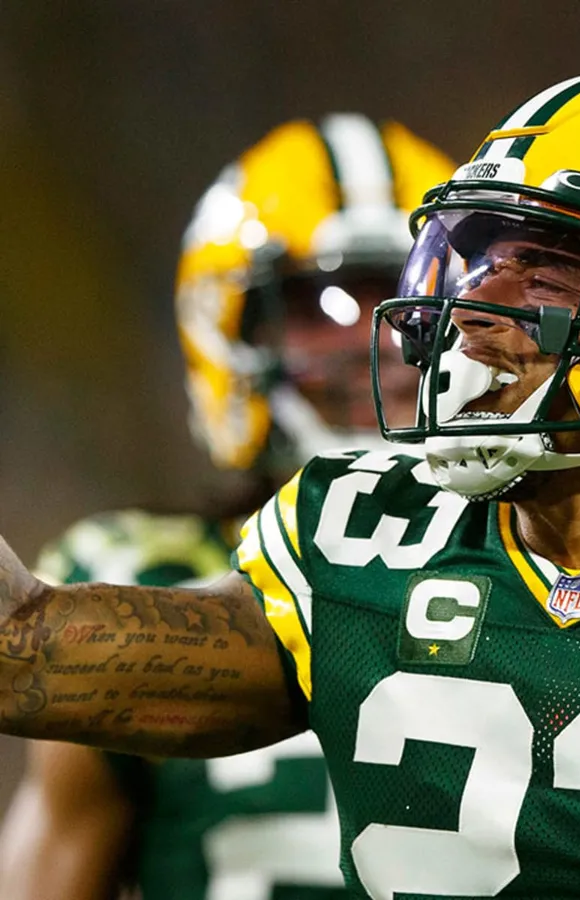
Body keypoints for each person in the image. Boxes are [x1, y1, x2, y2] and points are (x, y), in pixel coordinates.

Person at [0, 69, 580, 899]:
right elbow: (21, 652)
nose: (471, 307)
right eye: (479, 261)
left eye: (548, 268)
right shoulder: (366, 535)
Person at [0, 113, 455, 900]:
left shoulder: (552, 561)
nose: (377, 341)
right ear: (229, 334)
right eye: (321, 305)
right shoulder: (138, 573)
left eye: (405, 300)